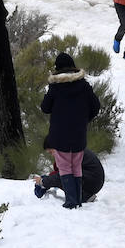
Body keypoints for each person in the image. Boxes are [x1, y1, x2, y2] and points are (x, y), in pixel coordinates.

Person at [38, 52, 101, 208]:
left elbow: (45, 108)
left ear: (57, 68)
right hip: (79, 134)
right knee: (76, 167)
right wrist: (84, 119)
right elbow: (96, 107)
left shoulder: (55, 87)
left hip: (60, 135)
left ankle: (72, 202)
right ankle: (77, 200)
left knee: (65, 167)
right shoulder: (84, 85)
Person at [33, 150, 105, 204]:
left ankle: (83, 196)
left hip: (92, 180)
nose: (52, 155)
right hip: (94, 180)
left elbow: (61, 176)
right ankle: (84, 194)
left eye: (51, 151)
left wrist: (42, 182)